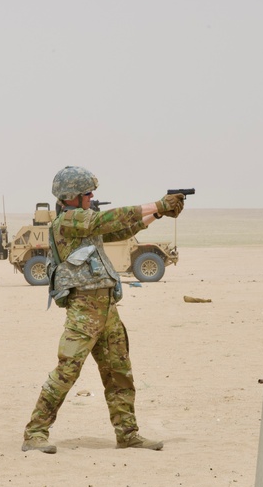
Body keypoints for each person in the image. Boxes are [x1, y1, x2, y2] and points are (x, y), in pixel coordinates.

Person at [21, 165, 184, 454]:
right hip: (83, 309)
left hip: (106, 307)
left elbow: (121, 227)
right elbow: (109, 218)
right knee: (67, 371)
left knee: (119, 371)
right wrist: (157, 205)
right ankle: (35, 432)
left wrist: (158, 214)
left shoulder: (87, 224)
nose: (92, 195)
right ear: (73, 196)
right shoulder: (69, 221)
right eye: (87, 192)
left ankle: (128, 434)